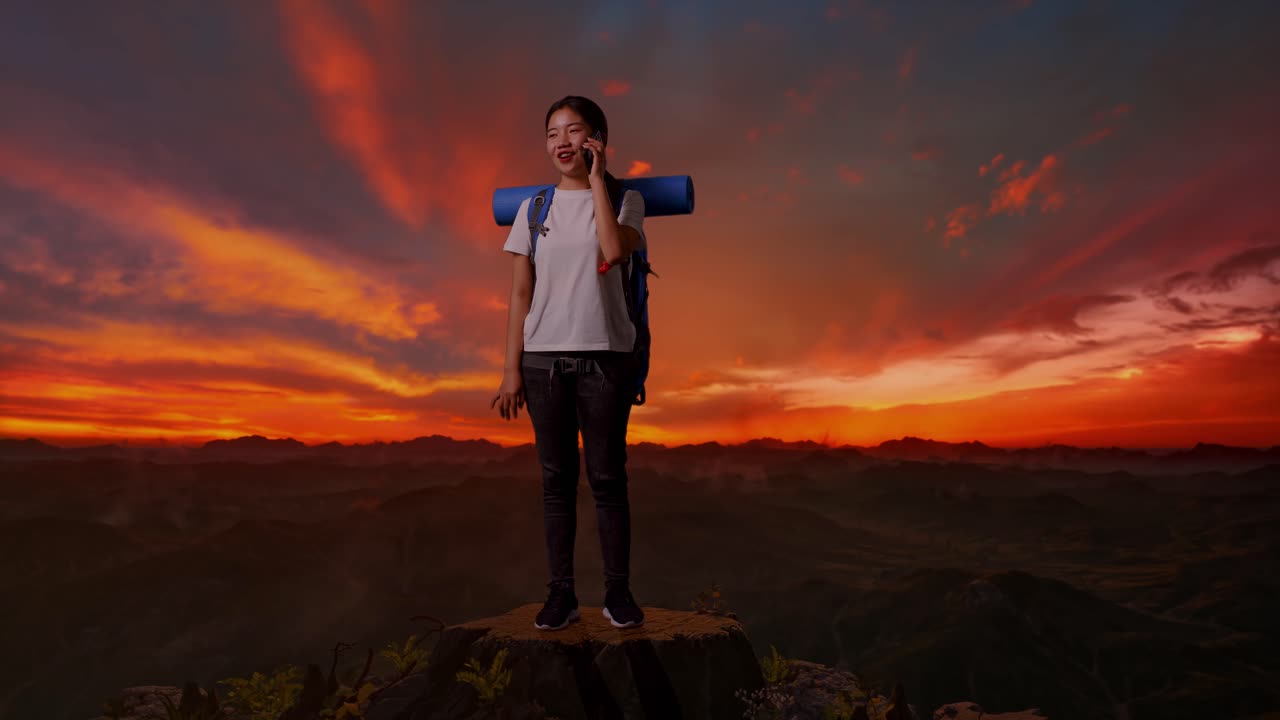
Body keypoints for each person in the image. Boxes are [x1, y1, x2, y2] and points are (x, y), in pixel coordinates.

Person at [491, 95, 647, 631]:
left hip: (606, 362)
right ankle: (561, 595)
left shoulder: (627, 201)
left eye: (574, 131)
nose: (561, 142)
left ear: (597, 140)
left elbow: (613, 250)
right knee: (556, 483)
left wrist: (599, 179)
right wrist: (512, 368)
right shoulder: (532, 210)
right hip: (543, 364)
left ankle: (618, 595)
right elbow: (519, 295)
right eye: (552, 132)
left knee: (607, 479)